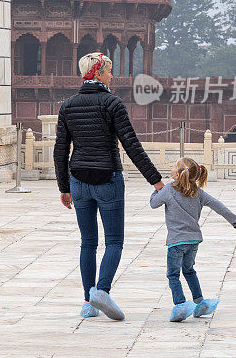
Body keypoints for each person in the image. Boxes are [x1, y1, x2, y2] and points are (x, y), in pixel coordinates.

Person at [54, 52, 164, 321]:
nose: (112, 75)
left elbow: (60, 149)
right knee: (114, 240)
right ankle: (101, 290)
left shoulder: (68, 105)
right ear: (99, 73)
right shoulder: (112, 103)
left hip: (78, 179)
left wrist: (64, 187)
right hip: (108, 179)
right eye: (109, 71)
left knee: (87, 243)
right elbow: (131, 145)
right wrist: (157, 181)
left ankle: (88, 303)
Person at [150, 157, 236, 322]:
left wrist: (157, 189)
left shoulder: (169, 190)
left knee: (173, 275)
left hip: (176, 242)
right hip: (193, 241)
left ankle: (180, 304)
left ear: (178, 175)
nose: (171, 168)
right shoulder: (198, 192)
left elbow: (153, 204)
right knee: (189, 270)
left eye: (174, 166)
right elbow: (218, 206)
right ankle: (199, 302)